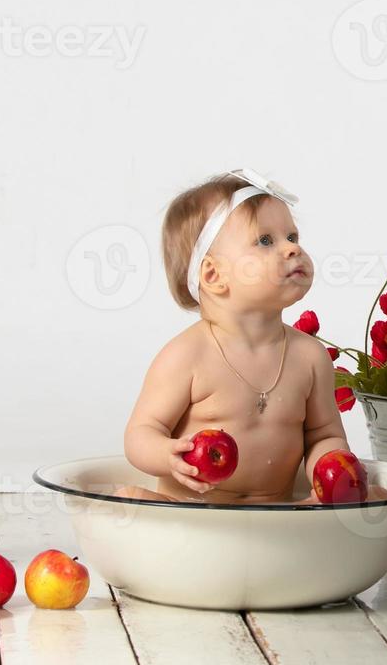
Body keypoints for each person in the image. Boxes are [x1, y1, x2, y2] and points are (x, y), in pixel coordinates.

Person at [121, 168, 359, 505]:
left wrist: (332, 469)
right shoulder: (187, 356)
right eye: (266, 241)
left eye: (292, 237)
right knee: (132, 502)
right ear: (213, 274)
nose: (291, 249)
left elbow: (324, 434)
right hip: (196, 507)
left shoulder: (309, 356)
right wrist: (167, 455)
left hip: (278, 509)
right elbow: (140, 433)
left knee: (370, 495)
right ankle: (153, 509)